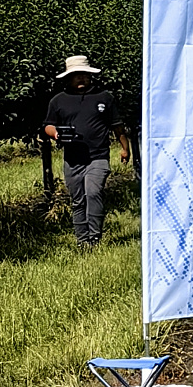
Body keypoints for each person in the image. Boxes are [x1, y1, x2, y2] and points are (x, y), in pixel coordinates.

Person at [43, 55, 130, 251]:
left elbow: (117, 126)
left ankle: (94, 238)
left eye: (84, 74)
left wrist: (125, 148)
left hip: (98, 156)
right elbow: (48, 125)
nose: (81, 78)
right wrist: (55, 134)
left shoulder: (104, 97)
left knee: (93, 192)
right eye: (76, 75)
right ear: (69, 78)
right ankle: (82, 241)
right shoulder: (58, 101)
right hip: (72, 159)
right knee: (78, 200)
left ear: (90, 75)